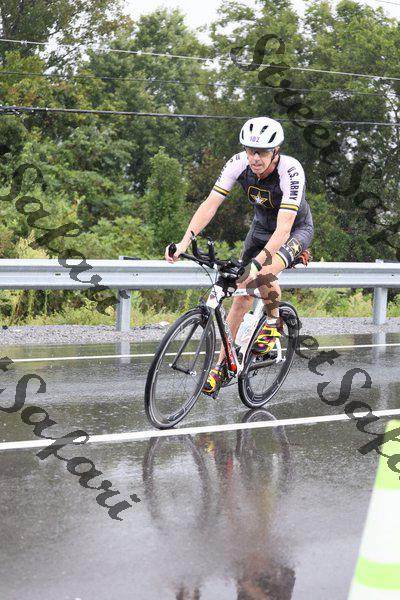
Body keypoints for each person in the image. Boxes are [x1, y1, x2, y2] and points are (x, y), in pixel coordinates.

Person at [165, 116, 313, 396]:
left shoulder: (291, 170)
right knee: (241, 293)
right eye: (250, 151)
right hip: (260, 229)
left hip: (294, 230)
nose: (255, 158)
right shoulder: (237, 163)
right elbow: (210, 204)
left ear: (275, 151)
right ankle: (222, 366)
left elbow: (283, 228)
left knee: (264, 273)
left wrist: (258, 262)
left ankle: (273, 323)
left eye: (262, 152)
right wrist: (184, 242)